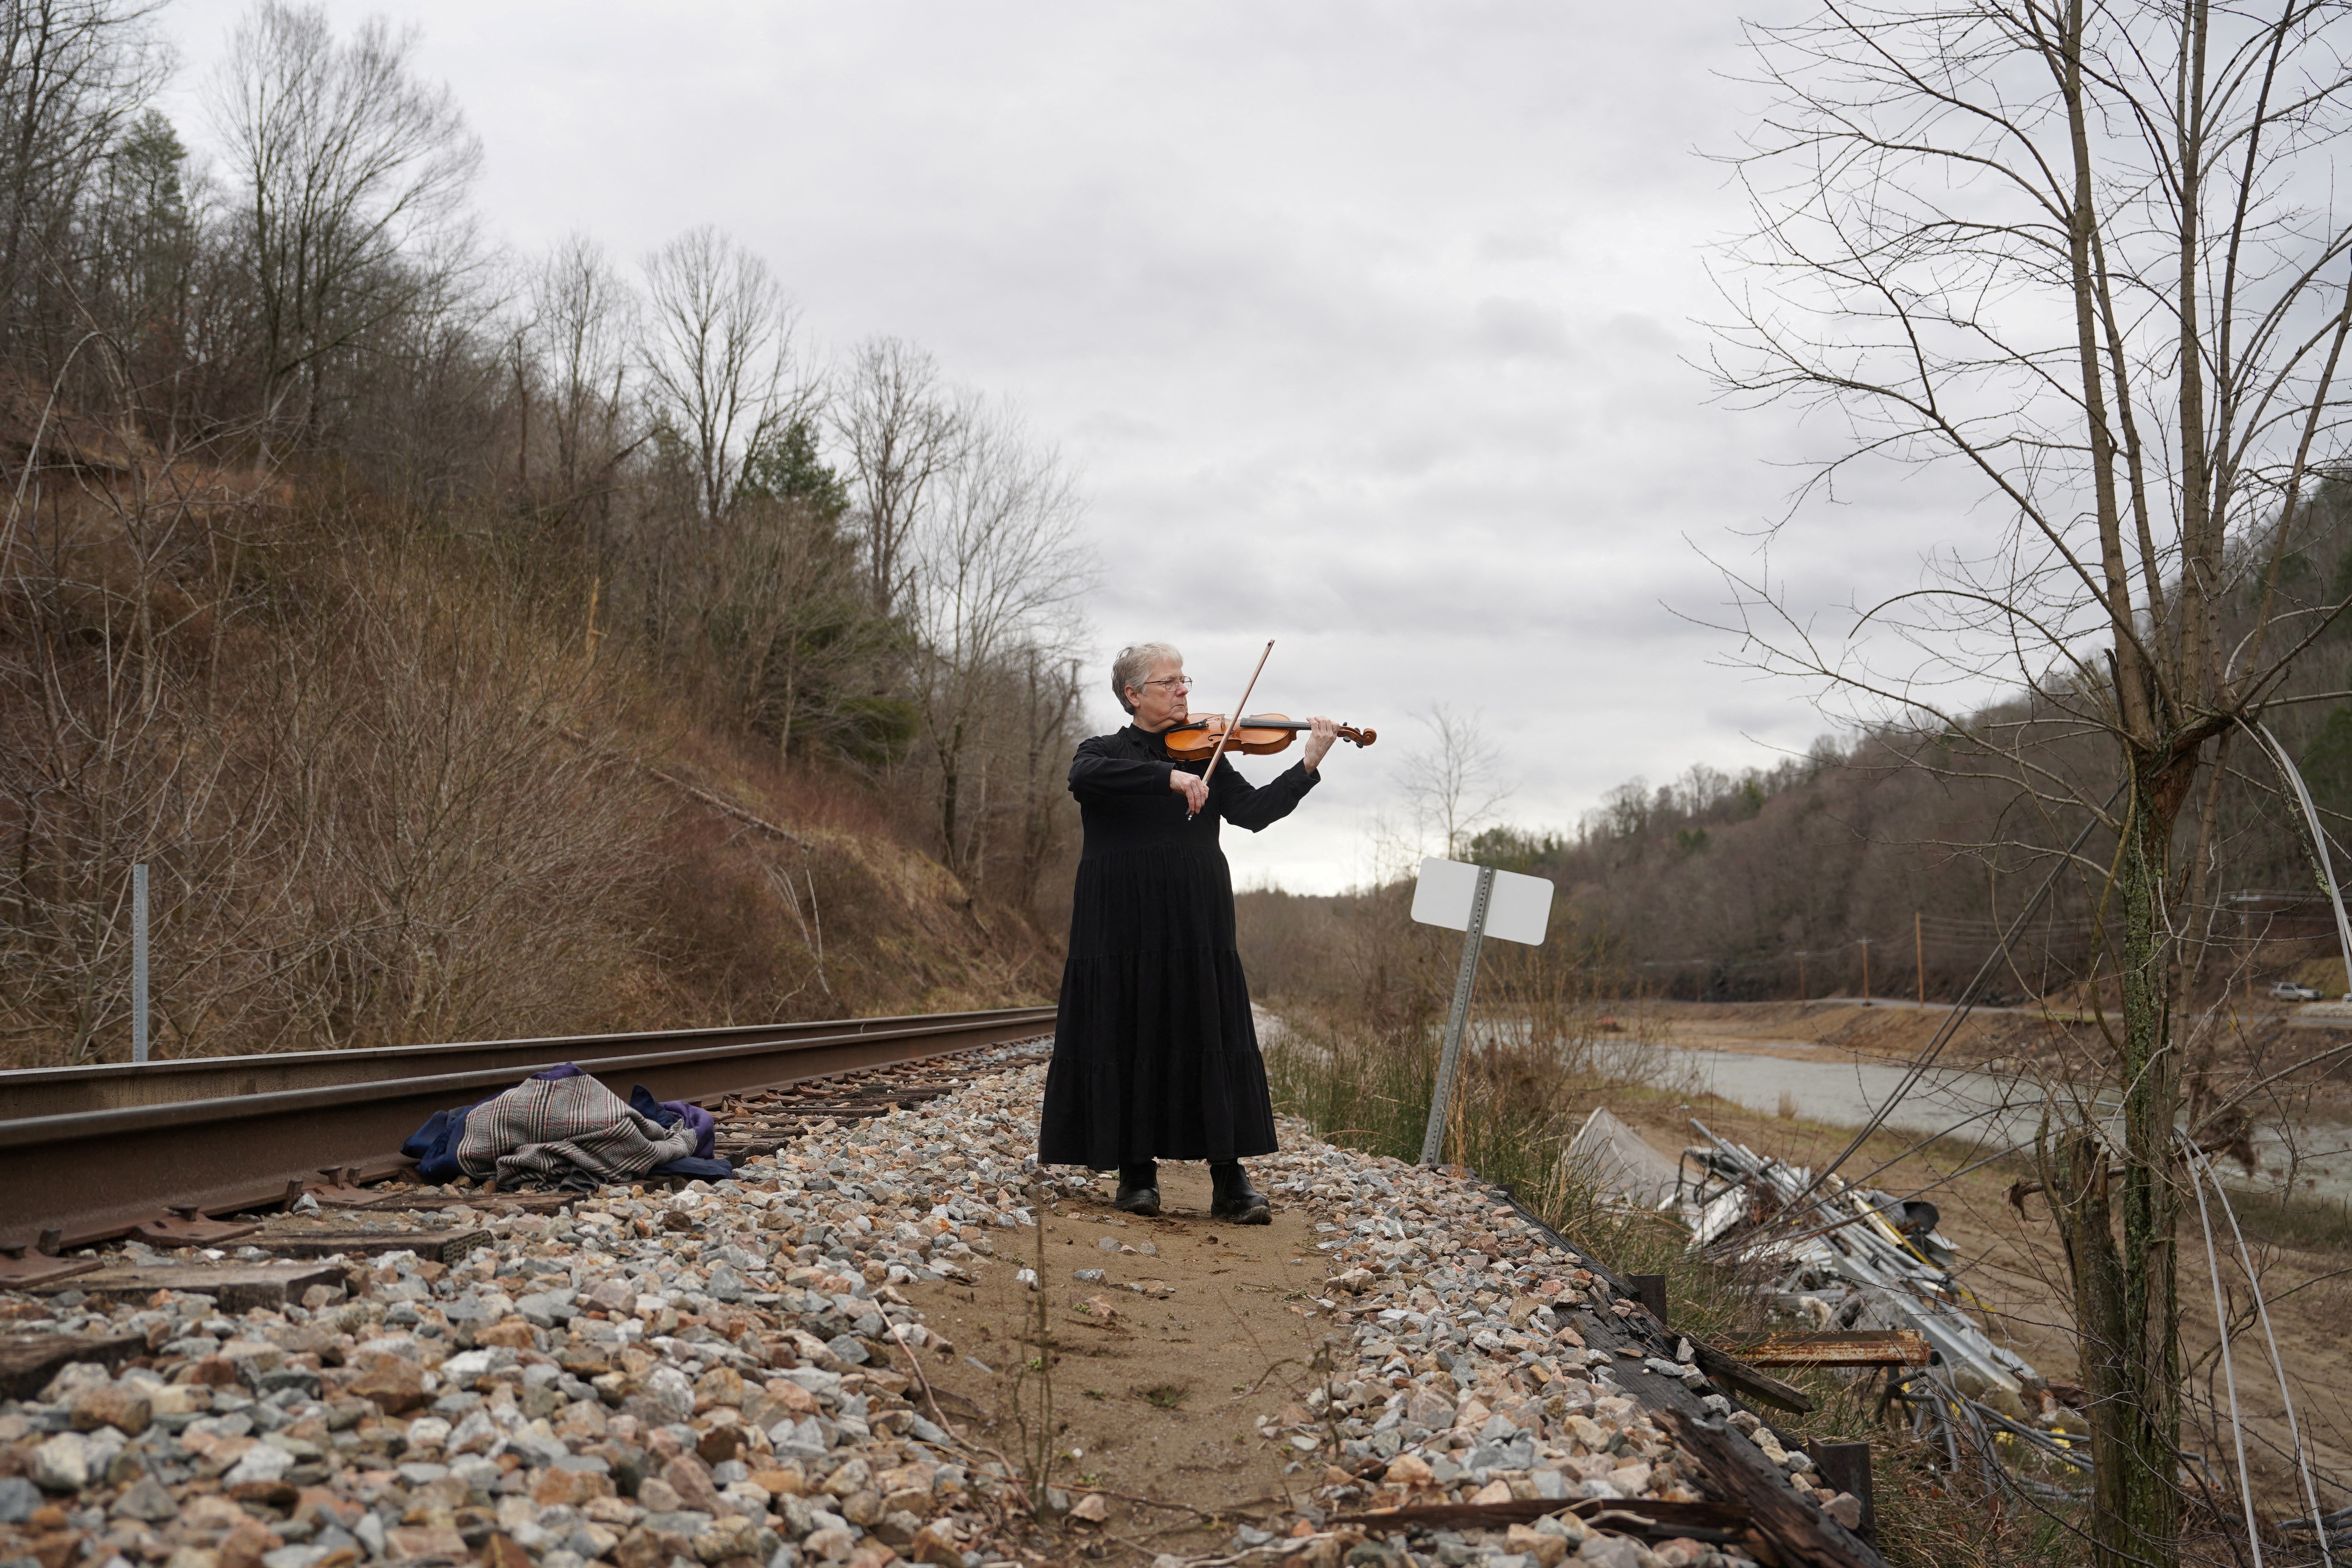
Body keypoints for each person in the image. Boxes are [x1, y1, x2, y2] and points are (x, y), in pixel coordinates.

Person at [1036, 641, 1343, 1222]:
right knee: (1129, 1031)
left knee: (1207, 1030)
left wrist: (1308, 765)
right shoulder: (1103, 751)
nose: (1184, 691)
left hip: (1195, 916)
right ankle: (1136, 1173)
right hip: (1120, 923)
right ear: (1133, 695)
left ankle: (1230, 1180)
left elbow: (1252, 813)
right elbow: (1085, 777)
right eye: (1169, 682)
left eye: (1185, 680)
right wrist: (1169, 780)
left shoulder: (1213, 752)